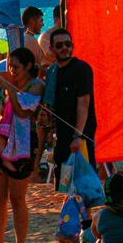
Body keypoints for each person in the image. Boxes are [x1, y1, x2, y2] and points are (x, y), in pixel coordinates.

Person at [0, 47, 40, 243]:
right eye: (10, 66)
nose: (12, 70)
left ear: (28, 66)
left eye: (16, 67)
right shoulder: (9, 84)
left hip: (23, 146)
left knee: (18, 198)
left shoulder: (36, 85)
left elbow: (22, 111)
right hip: (2, 141)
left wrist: (8, 87)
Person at [41, 26, 97, 181]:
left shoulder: (81, 68)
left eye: (67, 44)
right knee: (64, 182)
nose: (64, 48)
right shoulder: (53, 72)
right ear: (52, 49)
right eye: (59, 45)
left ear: (73, 46)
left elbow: (84, 104)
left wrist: (77, 135)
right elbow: (50, 105)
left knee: (84, 183)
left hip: (80, 136)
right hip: (62, 135)